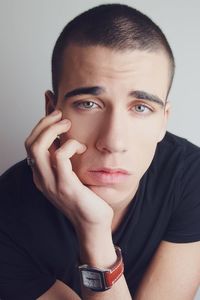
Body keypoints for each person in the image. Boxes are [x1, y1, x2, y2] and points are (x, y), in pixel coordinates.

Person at [0, 3, 200, 300]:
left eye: (141, 108)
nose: (113, 141)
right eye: (89, 104)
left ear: (163, 121)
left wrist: (93, 232)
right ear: (51, 111)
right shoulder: (8, 214)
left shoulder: (190, 177)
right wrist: (91, 226)